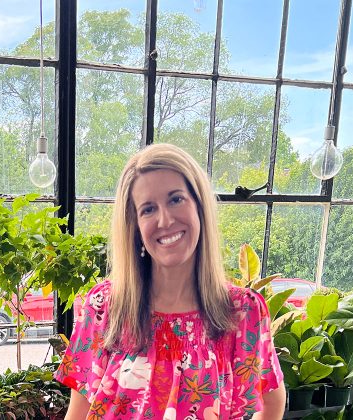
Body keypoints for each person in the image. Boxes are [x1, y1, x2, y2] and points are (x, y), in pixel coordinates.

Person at [54, 144, 285, 419]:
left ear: (199, 206)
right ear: (135, 226)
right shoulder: (105, 307)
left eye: (176, 199)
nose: (165, 220)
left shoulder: (242, 311)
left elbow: (272, 400)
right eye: (148, 209)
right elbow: (79, 411)